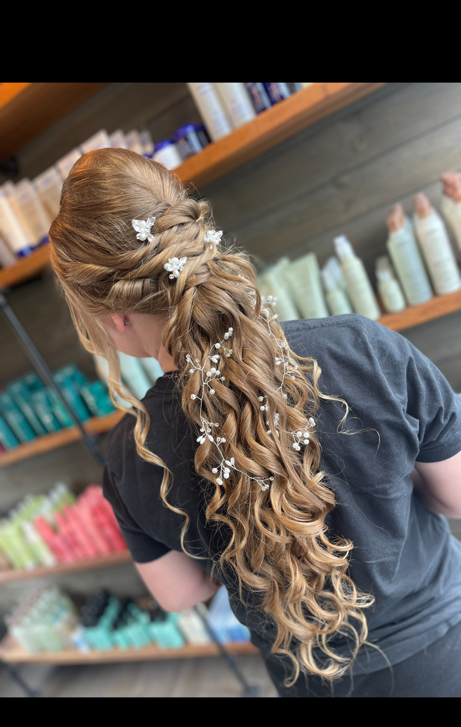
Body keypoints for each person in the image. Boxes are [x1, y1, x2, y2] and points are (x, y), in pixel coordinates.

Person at [49, 148, 461, 698]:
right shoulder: (361, 348)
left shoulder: (133, 454)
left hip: (312, 681)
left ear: (115, 316)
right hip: (443, 653)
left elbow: (178, 594)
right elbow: (454, 496)